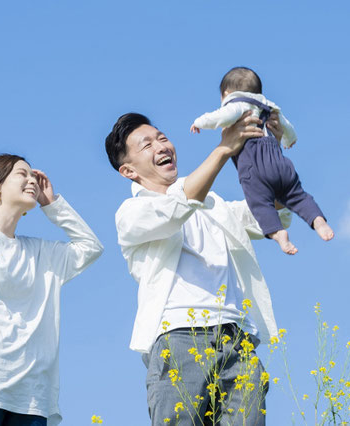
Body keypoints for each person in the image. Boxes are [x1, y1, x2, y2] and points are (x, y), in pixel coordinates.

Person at [105, 112, 291, 425]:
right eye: (146, 145)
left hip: (236, 338)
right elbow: (177, 208)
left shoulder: (212, 203)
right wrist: (221, 151)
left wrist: (271, 149)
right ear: (128, 170)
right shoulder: (132, 213)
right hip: (180, 337)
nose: (161, 146)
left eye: (162, 138)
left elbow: (271, 209)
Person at [0, 154, 103, 426]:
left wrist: (53, 205)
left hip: (32, 399)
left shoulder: (39, 252)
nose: (32, 180)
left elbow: (90, 248)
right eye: (22, 174)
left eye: (33, 176)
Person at [191, 66, 334, 255]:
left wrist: (200, 122)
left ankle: (277, 233)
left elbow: (221, 117)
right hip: (280, 162)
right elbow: (286, 126)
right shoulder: (269, 105)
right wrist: (289, 140)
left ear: (226, 93)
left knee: (259, 202)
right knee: (298, 194)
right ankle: (318, 220)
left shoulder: (237, 104)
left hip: (255, 166)